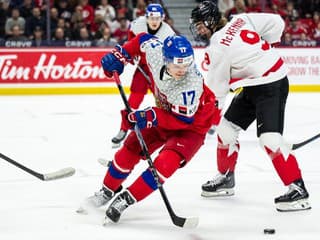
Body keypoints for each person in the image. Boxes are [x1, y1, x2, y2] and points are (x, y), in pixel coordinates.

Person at [81, 34, 220, 223]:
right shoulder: (155, 52)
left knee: (164, 164)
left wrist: (150, 116)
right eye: (177, 64)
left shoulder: (191, 85)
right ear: (165, 58)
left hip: (192, 127)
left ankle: (126, 199)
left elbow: (182, 121)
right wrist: (121, 55)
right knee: (130, 148)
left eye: (186, 64)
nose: (182, 70)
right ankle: (107, 190)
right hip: (165, 113)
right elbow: (141, 40)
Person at [189, 1, 311, 212]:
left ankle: (298, 190)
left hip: (272, 84)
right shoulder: (241, 19)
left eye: (200, 25)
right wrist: (269, 47)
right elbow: (276, 22)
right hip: (253, 85)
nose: (198, 30)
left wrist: (205, 120)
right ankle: (226, 178)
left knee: (269, 139)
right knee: (226, 130)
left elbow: (217, 92)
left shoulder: (218, 46)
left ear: (210, 22)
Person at [111, 3, 175, 147]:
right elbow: (131, 40)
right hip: (143, 67)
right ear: (146, 17)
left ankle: (171, 129)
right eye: (151, 18)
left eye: (157, 18)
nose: (154, 21)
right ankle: (123, 129)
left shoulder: (168, 33)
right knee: (133, 100)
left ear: (162, 18)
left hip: (159, 71)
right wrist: (131, 54)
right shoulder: (137, 25)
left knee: (164, 102)